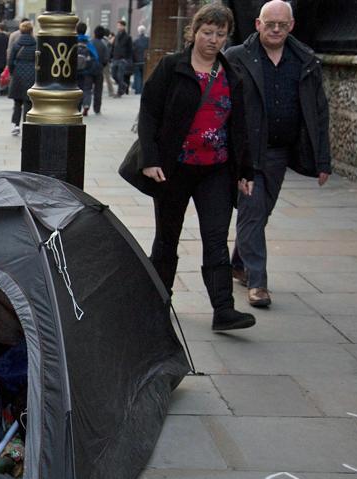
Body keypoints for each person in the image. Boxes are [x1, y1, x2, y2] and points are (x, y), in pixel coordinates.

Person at [137, 3, 255, 331]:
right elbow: (148, 113)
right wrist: (151, 159)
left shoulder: (232, 75)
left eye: (220, 34)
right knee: (167, 239)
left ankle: (224, 310)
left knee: (216, 238)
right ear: (195, 31)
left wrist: (246, 171)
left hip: (215, 169)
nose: (213, 40)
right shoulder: (172, 67)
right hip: (174, 169)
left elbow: (240, 126)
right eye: (207, 32)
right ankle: (157, 302)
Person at [226, 0, 331, 308]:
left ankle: (238, 263)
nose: (275, 30)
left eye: (281, 25)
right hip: (246, 152)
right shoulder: (237, 57)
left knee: (260, 212)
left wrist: (322, 160)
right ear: (257, 24)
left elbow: (319, 112)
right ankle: (258, 283)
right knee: (253, 210)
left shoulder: (305, 61)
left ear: (291, 26)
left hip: (279, 153)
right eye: (269, 24)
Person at [7, 20, 35, 137]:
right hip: (31, 74)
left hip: (18, 74)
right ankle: (26, 124)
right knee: (28, 101)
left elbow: (10, 61)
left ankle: (16, 125)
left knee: (17, 102)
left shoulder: (16, 45)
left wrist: (13, 72)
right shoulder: (36, 44)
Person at [75, 22, 101, 116]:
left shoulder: (73, 41)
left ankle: (76, 107)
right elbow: (96, 57)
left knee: (75, 88)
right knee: (86, 89)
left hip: (74, 71)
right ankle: (86, 105)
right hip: (86, 71)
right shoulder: (88, 42)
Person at [111, 19, 133, 96]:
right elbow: (114, 47)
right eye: (118, 25)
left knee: (120, 76)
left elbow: (130, 49)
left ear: (124, 26)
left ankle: (119, 92)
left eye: (120, 25)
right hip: (115, 58)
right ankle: (124, 85)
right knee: (113, 74)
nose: (118, 27)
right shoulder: (116, 36)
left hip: (123, 59)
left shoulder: (128, 37)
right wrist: (111, 56)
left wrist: (127, 59)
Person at [132, 25, 149, 94]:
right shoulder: (148, 40)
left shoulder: (135, 41)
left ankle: (138, 90)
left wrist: (133, 60)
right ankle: (142, 90)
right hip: (145, 61)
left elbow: (133, 51)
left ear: (138, 31)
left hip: (137, 61)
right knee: (143, 76)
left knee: (137, 76)